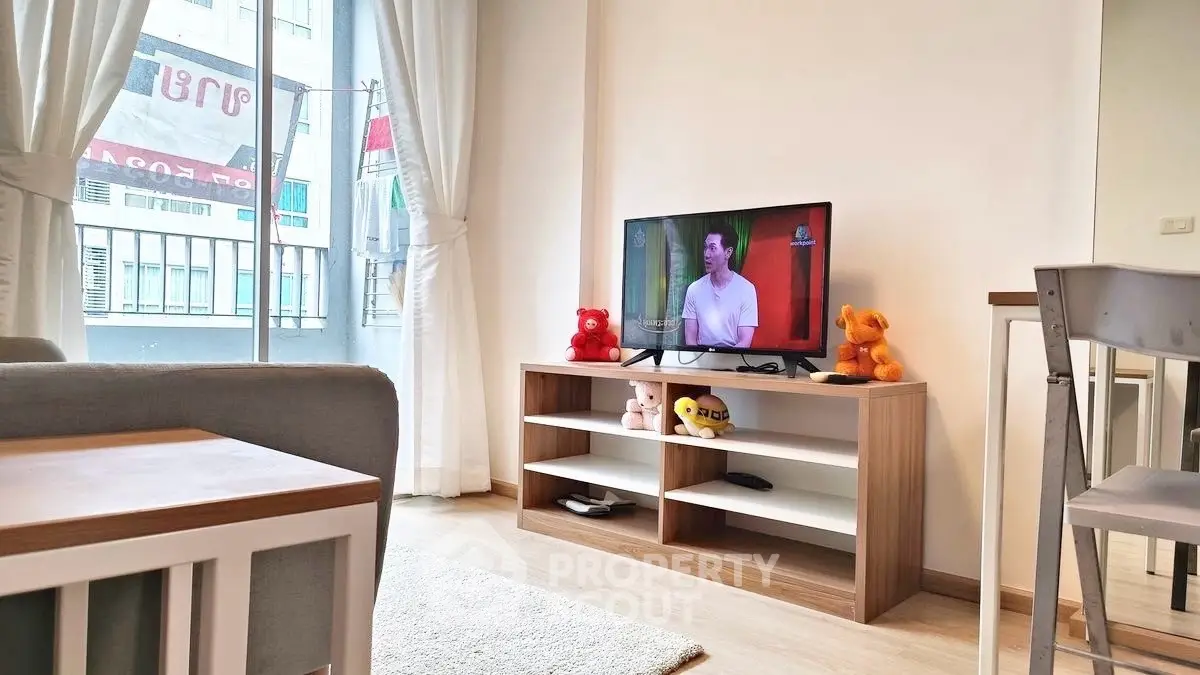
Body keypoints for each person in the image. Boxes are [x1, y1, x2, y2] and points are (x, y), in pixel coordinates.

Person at [682, 223, 758, 348]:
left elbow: (745, 341)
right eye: (705, 248)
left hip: (734, 357)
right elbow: (690, 340)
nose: (706, 254)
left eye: (712, 248)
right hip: (700, 356)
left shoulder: (746, 289)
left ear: (728, 252)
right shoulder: (694, 290)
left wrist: (725, 358)